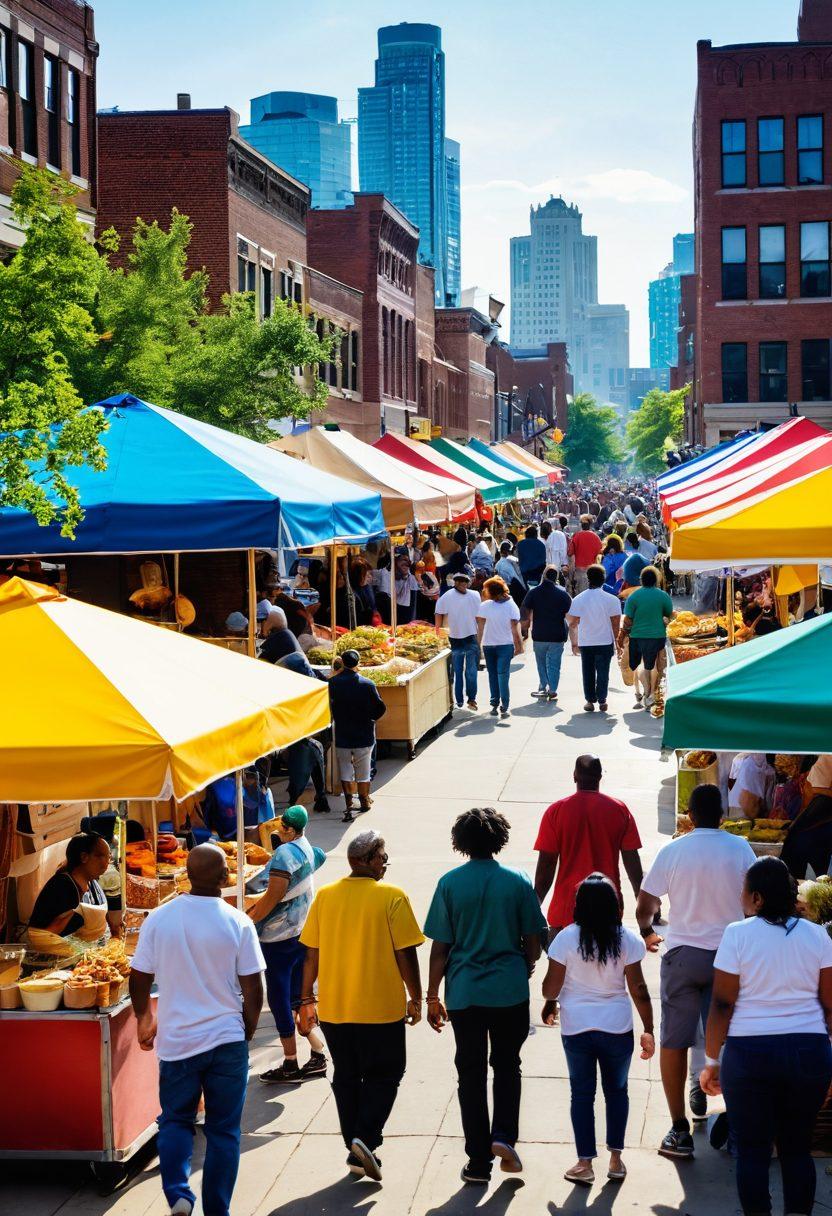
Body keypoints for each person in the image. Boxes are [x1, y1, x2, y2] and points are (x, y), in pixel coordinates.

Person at [129, 844, 265, 1216]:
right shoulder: (237, 922)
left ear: (188, 875)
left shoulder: (159, 918)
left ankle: (178, 1195)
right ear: (225, 878)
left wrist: (144, 1017)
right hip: (226, 1040)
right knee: (223, 1131)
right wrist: (246, 1033)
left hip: (178, 1042)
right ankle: (217, 1211)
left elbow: (139, 977)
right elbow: (253, 988)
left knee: (175, 1120)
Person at [700, 857, 832, 1216]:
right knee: (797, 1148)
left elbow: (723, 1003)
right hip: (809, 1053)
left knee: (754, 1151)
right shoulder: (818, 935)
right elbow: (830, 1006)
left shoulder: (737, 934)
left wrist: (711, 1061)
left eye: (744, 891)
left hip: (750, 1054)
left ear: (757, 898)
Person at [424, 808, 547, 1184]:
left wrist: (432, 996)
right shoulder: (518, 881)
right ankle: (504, 1138)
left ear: (460, 842)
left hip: (464, 994)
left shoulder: (449, 883)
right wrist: (524, 965)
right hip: (509, 990)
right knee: (508, 1065)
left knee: (470, 1073)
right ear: (500, 839)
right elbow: (534, 940)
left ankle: (478, 1160)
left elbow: (440, 948)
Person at [636, 784, 755, 1159]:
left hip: (684, 955)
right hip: (729, 958)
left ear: (689, 815)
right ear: (723, 815)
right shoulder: (740, 849)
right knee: (731, 1041)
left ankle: (678, 1130)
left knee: (674, 1042)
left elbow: (646, 904)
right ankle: (736, 1122)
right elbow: (755, 901)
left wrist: (647, 932)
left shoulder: (673, 851)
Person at [298, 831, 424, 1182]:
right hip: (381, 1010)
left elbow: (311, 954)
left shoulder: (325, 897)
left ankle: (355, 1150)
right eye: (382, 856)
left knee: (348, 1075)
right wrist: (416, 997)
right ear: (366, 860)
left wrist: (306, 999)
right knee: (386, 1073)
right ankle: (365, 1138)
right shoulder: (392, 897)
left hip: (336, 1009)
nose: (386, 862)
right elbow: (406, 954)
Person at [542, 874, 655, 1187]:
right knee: (617, 1091)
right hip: (617, 1028)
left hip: (577, 1029)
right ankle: (616, 1160)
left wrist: (550, 1000)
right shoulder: (627, 940)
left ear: (578, 905)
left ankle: (584, 1163)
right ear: (615, 906)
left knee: (582, 1094)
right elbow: (640, 989)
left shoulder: (565, 938)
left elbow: (551, 987)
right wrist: (649, 1028)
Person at [248, 806, 328, 1084]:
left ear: (291, 831)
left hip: (278, 937)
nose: (278, 831)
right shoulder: (307, 847)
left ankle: (291, 1061)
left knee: (279, 998)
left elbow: (271, 898)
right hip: (302, 933)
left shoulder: (284, 854)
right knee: (298, 995)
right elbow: (321, 857)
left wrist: (248, 920)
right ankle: (317, 1050)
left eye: (282, 828)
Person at [534, 755, 643, 939]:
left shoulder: (556, 811)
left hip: (565, 910)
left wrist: (534, 905)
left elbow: (547, 865)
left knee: (560, 965)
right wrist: (643, 901)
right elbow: (632, 860)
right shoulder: (619, 809)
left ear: (574, 776)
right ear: (600, 776)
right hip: (607, 906)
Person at [328, 649, 387, 822]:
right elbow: (380, 707)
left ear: (343, 663)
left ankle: (348, 803)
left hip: (343, 733)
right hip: (364, 733)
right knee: (363, 770)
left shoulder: (333, 683)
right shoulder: (367, 684)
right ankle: (364, 800)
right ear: (358, 663)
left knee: (345, 768)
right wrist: (371, 718)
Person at [29, 831, 117, 941]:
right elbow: (46, 937)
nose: (107, 862)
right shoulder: (62, 886)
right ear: (84, 857)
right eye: (102, 856)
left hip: (88, 951)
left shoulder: (93, 883)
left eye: (109, 857)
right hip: (59, 955)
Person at [566, 564, 622, 713]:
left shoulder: (578, 599)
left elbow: (572, 622)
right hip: (605, 641)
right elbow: (616, 623)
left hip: (587, 641)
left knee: (588, 672)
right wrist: (617, 642)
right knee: (603, 672)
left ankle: (590, 701)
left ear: (588, 579)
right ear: (603, 579)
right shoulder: (612, 600)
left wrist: (574, 641)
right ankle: (602, 700)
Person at [618, 566, 674, 709]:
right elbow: (669, 613)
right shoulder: (663, 595)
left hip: (637, 637)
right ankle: (649, 694)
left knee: (642, 665)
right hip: (657, 636)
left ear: (641, 580)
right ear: (656, 580)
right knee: (652, 665)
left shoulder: (634, 596)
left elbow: (628, 618)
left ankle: (646, 692)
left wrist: (622, 635)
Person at [521, 566, 572, 701]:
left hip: (539, 634)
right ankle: (553, 689)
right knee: (554, 664)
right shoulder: (563, 595)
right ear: (556, 578)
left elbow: (525, 610)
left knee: (541, 662)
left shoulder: (534, 592)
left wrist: (525, 628)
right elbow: (571, 617)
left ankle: (543, 685)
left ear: (543, 576)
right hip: (557, 635)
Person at [476, 576, 523, 719]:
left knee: (494, 675)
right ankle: (503, 705)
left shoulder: (485, 606)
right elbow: (515, 628)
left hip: (490, 645)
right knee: (502, 675)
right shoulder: (512, 606)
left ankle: (496, 703)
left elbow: (480, 627)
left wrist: (478, 645)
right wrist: (519, 645)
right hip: (505, 645)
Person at [435, 572, 482, 711]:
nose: (462, 583)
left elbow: (479, 617)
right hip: (454, 639)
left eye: (464, 581)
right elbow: (438, 613)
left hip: (471, 637)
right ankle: (460, 700)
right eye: (459, 581)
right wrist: (438, 632)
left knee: (471, 672)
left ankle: (471, 699)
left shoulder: (475, 595)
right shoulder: (447, 596)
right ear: (455, 582)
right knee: (457, 671)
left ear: (468, 582)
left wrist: (480, 638)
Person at [728, 753, 777, 819]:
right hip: (741, 810)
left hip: (753, 809)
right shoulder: (743, 761)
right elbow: (732, 782)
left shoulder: (768, 768)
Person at [568, 516, 603, 595]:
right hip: (592, 572)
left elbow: (570, 553)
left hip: (579, 571)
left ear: (581, 525)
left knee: (579, 596)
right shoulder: (596, 538)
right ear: (590, 525)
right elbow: (600, 554)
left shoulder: (576, 536)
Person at [495, 540, 527, 605]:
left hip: (504, 593)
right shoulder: (513, 560)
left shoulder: (498, 564)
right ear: (509, 551)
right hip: (516, 592)